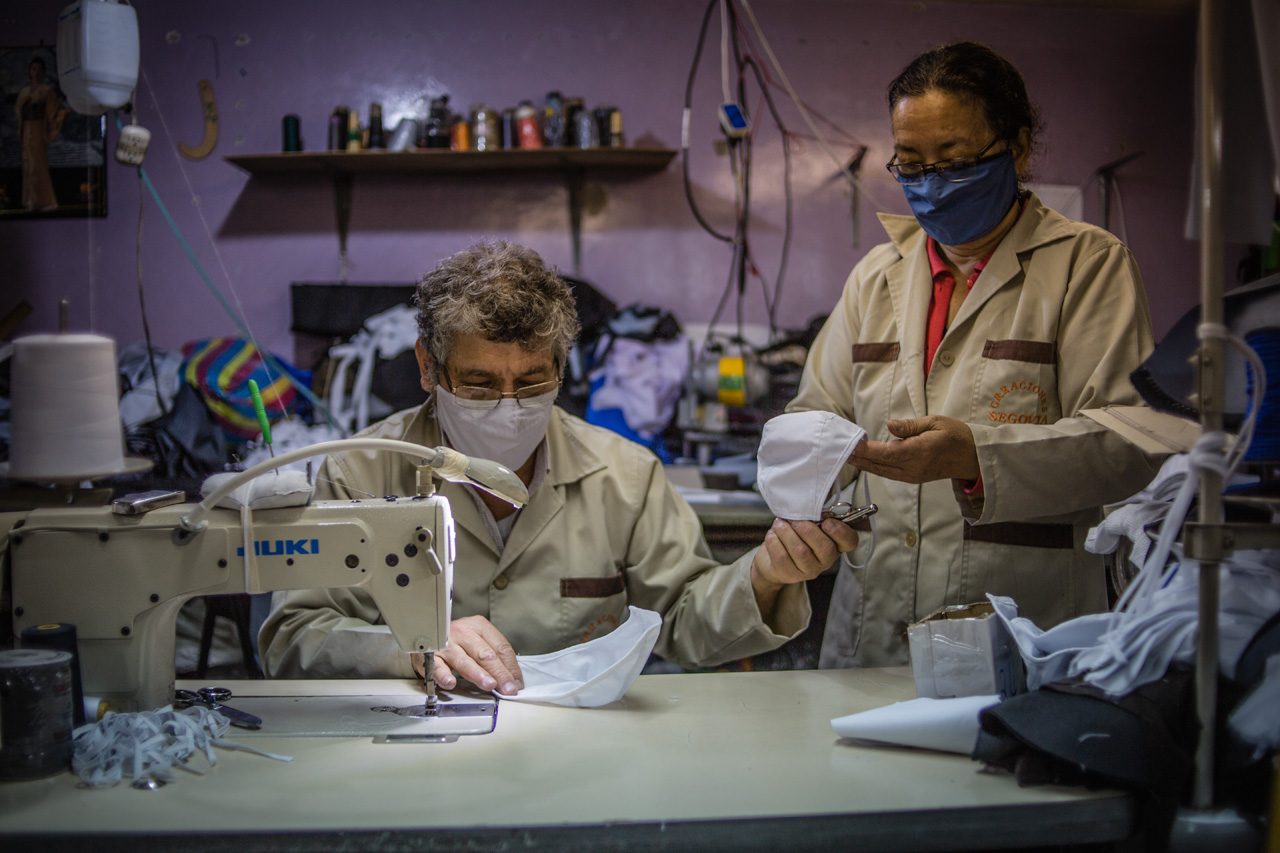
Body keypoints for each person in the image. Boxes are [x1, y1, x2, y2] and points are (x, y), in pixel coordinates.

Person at [260, 241, 858, 693]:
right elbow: (293, 638)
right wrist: (410, 649)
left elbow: (683, 619)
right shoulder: (358, 472)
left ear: (563, 365)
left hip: (580, 750)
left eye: (532, 380)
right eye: (478, 383)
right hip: (407, 741)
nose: (508, 405)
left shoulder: (625, 475)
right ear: (428, 367)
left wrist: (766, 576)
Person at [788, 42, 1161, 668]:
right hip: (874, 619)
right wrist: (819, 464)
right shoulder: (876, 276)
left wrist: (977, 457)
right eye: (910, 163)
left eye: (955, 159)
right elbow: (811, 416)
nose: (930, 183)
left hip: (1019, 622)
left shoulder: (1087, 265)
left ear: (1016, 148)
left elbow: (1128, 442)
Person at [14, 56, 67, 212]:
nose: (36, 72)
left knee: (38, 166)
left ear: (43, 72)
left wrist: (63, 113)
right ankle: (29, 201)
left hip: (39, 129)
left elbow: (52, 113)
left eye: (39, 69)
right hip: (27, 130)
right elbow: (18, 109)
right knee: (28, 166)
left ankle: (45, 201)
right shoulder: (24, 91)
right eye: (33, 69)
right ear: (30, 71)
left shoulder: (47, 91)